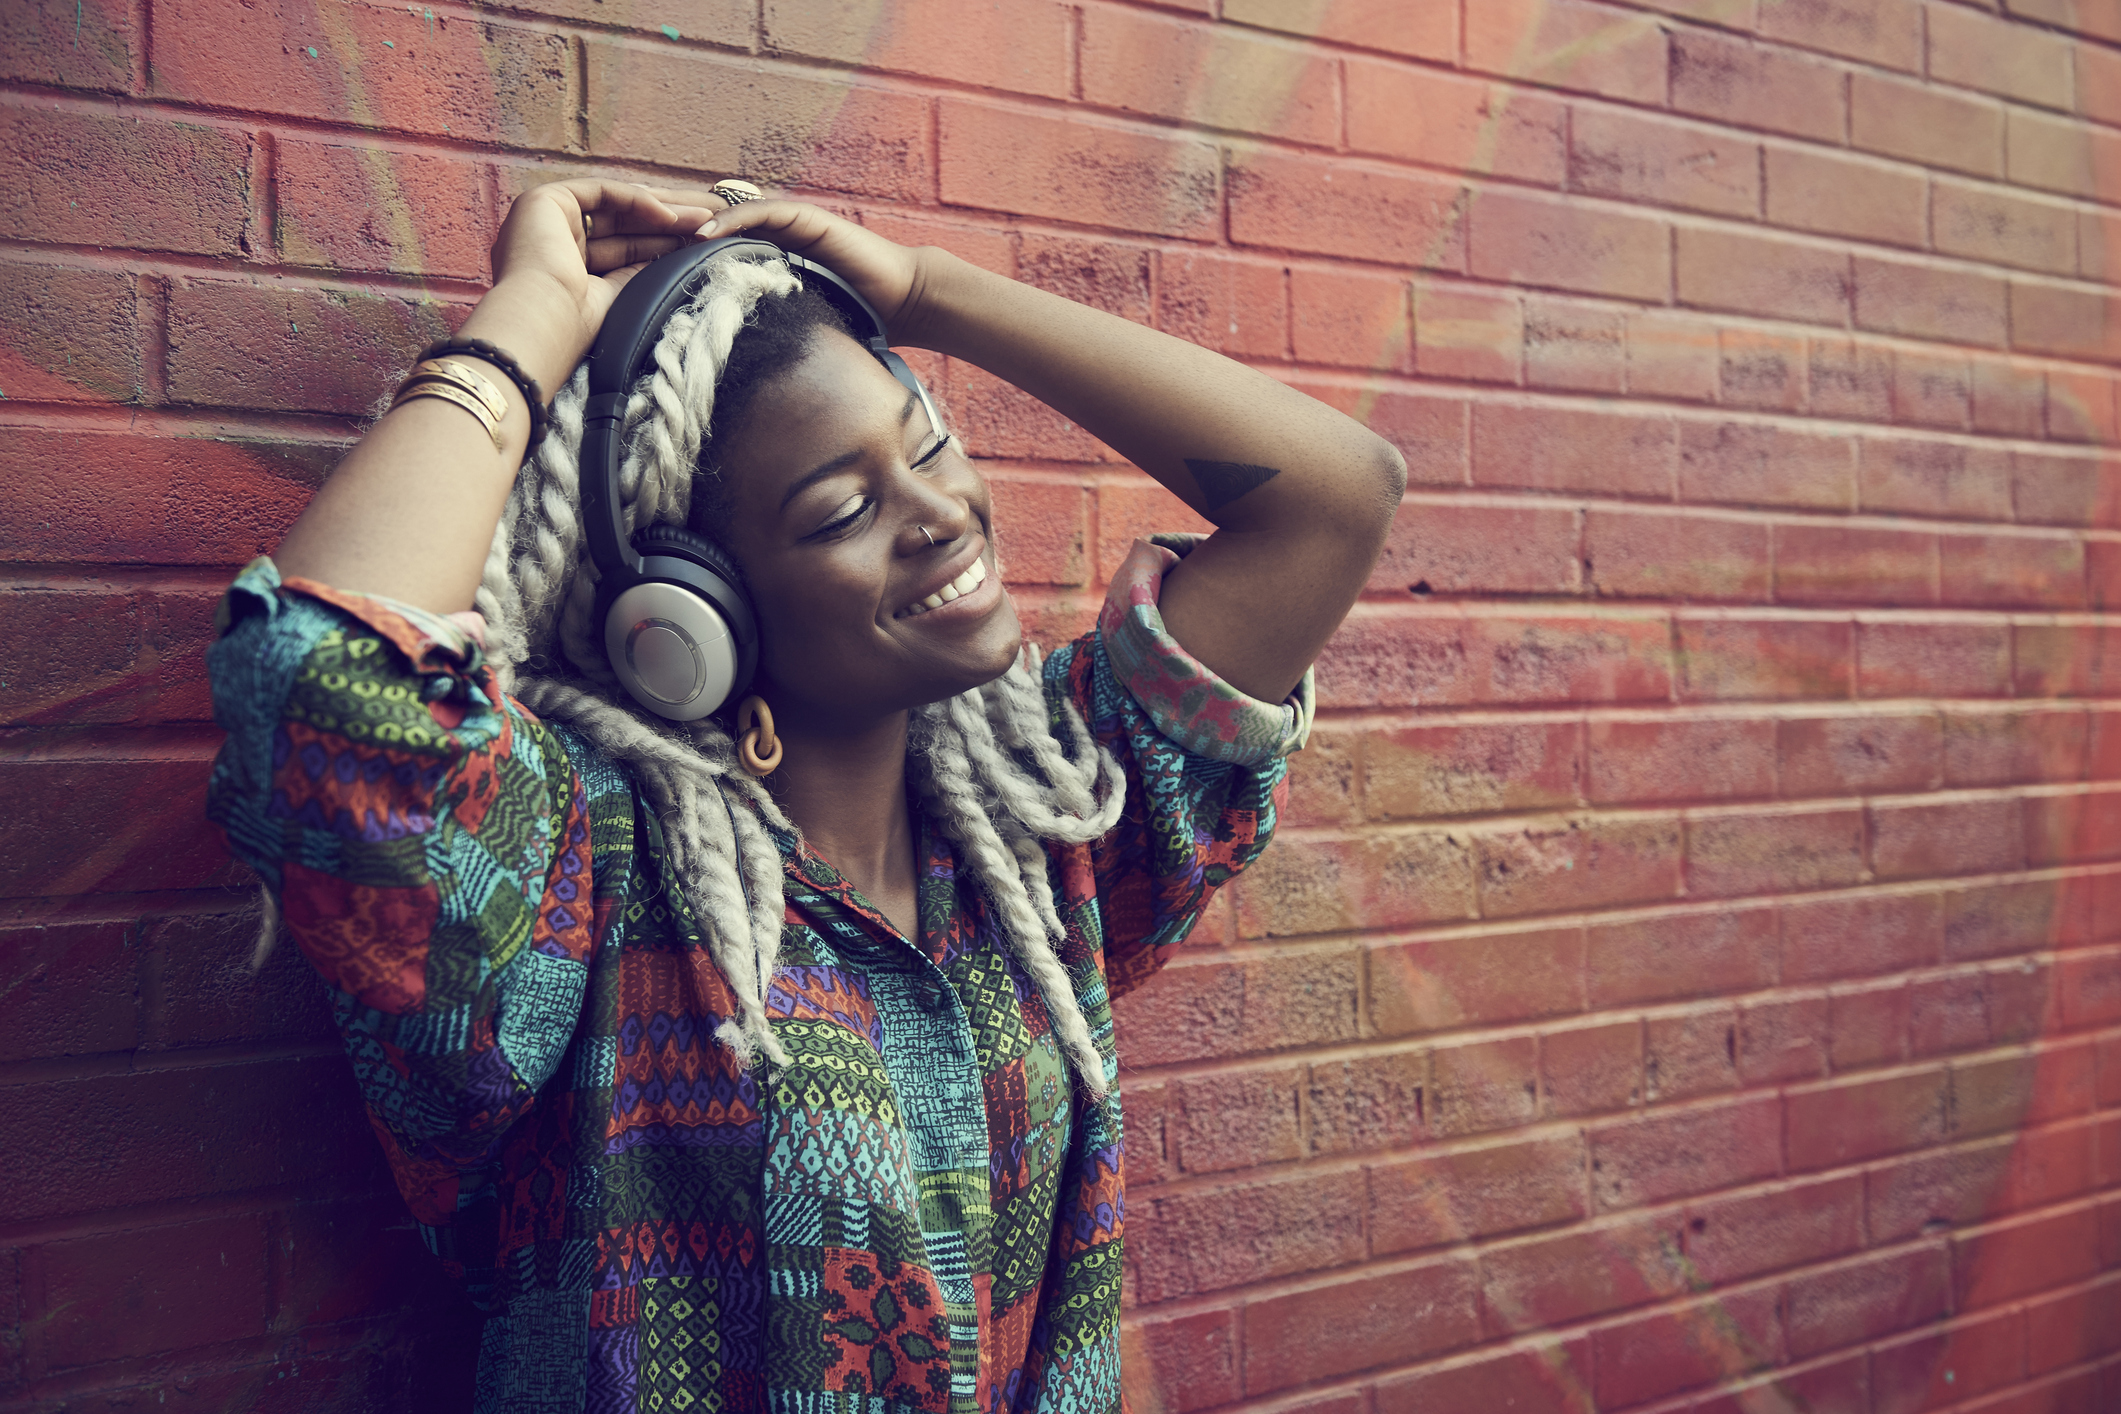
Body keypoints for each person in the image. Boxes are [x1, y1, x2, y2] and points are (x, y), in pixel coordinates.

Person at [204, 176, 1405, 1412]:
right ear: (686, 615)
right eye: (846, 509)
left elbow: (1333, 497)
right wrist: (531, 316)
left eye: (926, 442)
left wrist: (928, 291)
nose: (940, 513)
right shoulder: (581, 875)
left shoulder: (1048, 824)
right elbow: (322, 695)